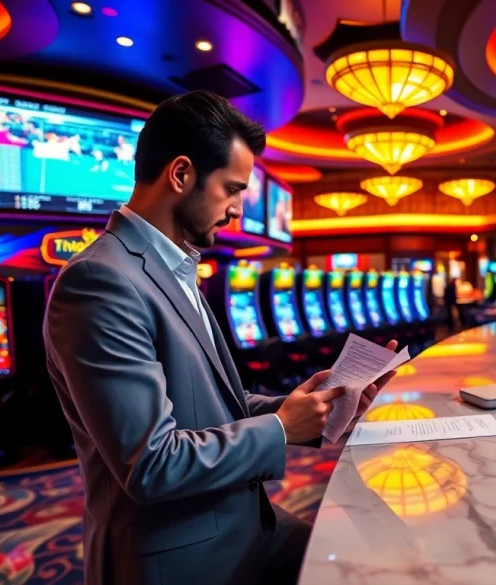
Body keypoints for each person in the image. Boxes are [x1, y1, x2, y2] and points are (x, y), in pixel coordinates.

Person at [43, 91, 398, 585]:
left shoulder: (176, 267)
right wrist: (280, 429)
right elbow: (151, 465)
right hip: (178, 555)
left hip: (241, 524)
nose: (236, 209)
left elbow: (210, 408)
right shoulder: (100, 281)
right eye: (231, 189)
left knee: (383, 558)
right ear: (181, 174)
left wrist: (307, 408)